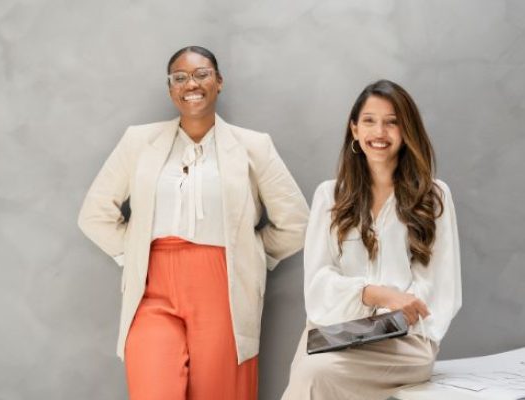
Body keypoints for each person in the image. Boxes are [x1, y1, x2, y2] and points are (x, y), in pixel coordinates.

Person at [78, 45, 309, 400]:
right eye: (180, 77)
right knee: (153, 388)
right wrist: (135, 254)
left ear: (219, 82)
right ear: (170, 88)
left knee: (220, 392)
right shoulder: (139, 141)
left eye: (202, 74)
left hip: (224, 286)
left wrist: (250, 255)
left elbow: (296, 222)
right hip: (151, 288)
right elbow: (95, 214)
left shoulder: (253, 146)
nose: (191, 84)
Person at [281, 79, 462, 400]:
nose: (379, 132)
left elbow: (441, 286)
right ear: (354, 130)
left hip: (404, 342)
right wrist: (375, 294)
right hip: (336, 331)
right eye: (369, 121)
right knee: (312, 370)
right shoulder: (330, 196)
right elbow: (318, 284)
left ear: (407, 131)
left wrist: (395, 316)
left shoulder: (433, 197)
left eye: (392, 122)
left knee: (315, 373)